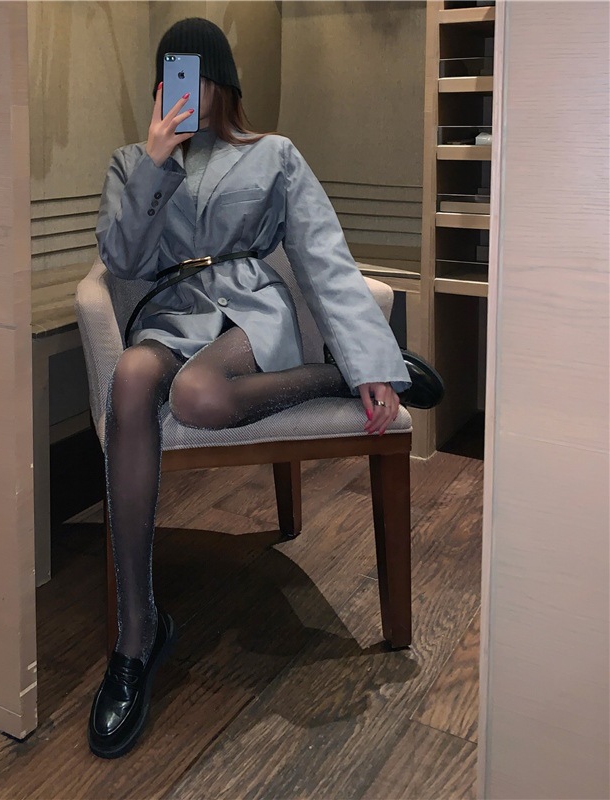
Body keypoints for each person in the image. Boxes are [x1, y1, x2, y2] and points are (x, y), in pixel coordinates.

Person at [87, 17, 442, 759]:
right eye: (169, 76)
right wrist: (154, 162)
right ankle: (137, 634)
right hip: (172, 312)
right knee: (132, 376)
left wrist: (370, 362)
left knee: (196, 397)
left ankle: (345, 371)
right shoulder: (131, 162)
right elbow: (123, 262)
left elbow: (323, 256)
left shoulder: (273, 153)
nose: (180, 91)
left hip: (250, 314)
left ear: (220, 82)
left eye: (193, 75)